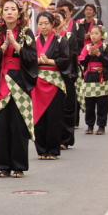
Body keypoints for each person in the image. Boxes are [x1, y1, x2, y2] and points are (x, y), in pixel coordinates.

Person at [0, 0, 38, 178]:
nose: (9, 12)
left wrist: (15, 44)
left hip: (19, 82)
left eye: (13, 9)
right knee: (1, 126)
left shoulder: (26, 33)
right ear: (0, 13)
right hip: (1, 82)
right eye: (6, 9)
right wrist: (3, 45)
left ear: (19, 13)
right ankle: (4, 166)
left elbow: (32, 58)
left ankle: (19, 166)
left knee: (18, 125)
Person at [32, 12, 70, 160]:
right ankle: (42, 150)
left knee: (54, 117)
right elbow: (27, 60)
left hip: (54, 82)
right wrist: (37, 61)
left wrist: (49, 62)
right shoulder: (33, 41)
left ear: (52, 24)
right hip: (38, 83)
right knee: (39, 117)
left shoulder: (61, 40)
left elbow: (65, 60)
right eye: (40, 24)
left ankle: (53, 150)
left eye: (46, 23)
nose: (43, 27)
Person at [79, 24, 108, 135]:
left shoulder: (105, 47)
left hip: (102, 77)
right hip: (89, 77)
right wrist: (89, 54)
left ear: (102, 35)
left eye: (96, 33)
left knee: (102, 104)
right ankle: (90, 126)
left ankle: (101, 126)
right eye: (92, 33)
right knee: (89, 104)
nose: (93, 36)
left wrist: (98, 54)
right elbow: (82, 62)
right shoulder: (87, 47)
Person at [57, 2, 79, 145]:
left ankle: (66, 139)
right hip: (50, 76)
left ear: (64, 20)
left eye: (58, 19)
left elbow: (73, 56)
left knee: (67, 108)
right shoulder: (44, 38)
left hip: (67, 74)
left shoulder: (70, 36)